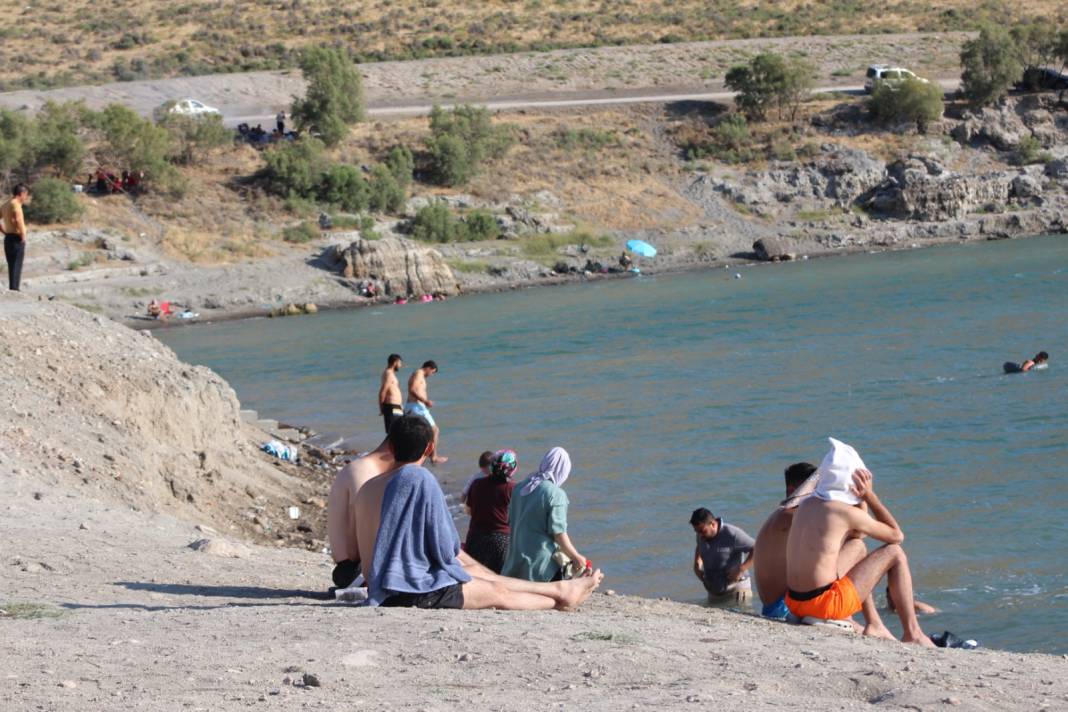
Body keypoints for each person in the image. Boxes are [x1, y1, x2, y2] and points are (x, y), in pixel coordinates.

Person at [355, 416, 604, 610]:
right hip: (413, 590)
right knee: (498, 593)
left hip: (383, 583)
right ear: (430, 447)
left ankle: (560, 589)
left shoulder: (368, 487)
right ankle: (560, 598)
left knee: (484, 576)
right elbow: (446, 548)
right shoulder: (420, 479)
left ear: (391, 445)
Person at [785, 438, 934, 646]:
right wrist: (869, 496)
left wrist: (859, 499)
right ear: (852, 483)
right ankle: (913, 632)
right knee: (895, 553)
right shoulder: (843, 512)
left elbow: (858, 537)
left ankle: (874, 623)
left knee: (857, 548)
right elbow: (896, 536)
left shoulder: (805, 505)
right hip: (824, 606)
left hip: (794, 603)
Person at [502, 447, 591, 582]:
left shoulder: (519, 488)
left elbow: (510, 521)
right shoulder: (556, 494)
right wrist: (576, 557)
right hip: (541, 566)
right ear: (563, 470)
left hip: (514, 562)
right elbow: (559, 534)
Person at [325, 437, 396, 590]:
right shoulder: (364, 473)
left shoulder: (364, 469)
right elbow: (357, 546)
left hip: (351, 568)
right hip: (355, 571)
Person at [753, 462, 820, 619]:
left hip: (776, 606)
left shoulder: (781, 516)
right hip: (783, 608)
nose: (819, 495)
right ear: (792, 491)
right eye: (815, 489)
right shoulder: (789, 517)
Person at [464, 450, 518, 573]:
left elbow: (468, 510)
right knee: (498, 580)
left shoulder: (477, 484)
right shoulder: (514, 488)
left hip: (475, 538)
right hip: (501, 541)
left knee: (475, 579)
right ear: (512, 468)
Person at [690, 508, 755, 607]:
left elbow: (758, 548)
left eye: (702, 531)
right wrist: (696, 564)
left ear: (712, 524)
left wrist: (741, 569)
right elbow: (699, 546)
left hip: (737, 591)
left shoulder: (732, 534)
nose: (699, 535)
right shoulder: (701, 535)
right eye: (696, 531)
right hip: (714, 593)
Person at [405, 360, 447, 464]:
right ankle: (434, 457)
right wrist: (426, 401)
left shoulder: (418, 374)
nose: (431, 375)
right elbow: (412, 390)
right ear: (428, 368)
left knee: (417, 433)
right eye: (432, 372)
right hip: (416, 407)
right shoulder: (419, 374)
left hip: (413, 407)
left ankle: (415, 456)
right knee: (435, 430)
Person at [2, 183, 31, 291]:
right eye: (26, 195)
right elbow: (17, 220)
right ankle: (14, 289)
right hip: (16, 238)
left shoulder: (6, 204)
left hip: (8, 238)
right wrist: (23, 235)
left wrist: (4, 231)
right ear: (22, 193)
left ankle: (13, 288)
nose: (26, 197)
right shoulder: (16, 204)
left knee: (12, 264)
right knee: (17, 264)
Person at [378, 354, 404, 435]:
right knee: (393, 433)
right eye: (400, 363)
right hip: (391, 407)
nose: (400, 365)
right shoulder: (388, 374)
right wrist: (382, 408)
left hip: (396, 407)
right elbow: (382, 392)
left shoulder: (390, 374)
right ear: (395, 362)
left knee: (399, 432)